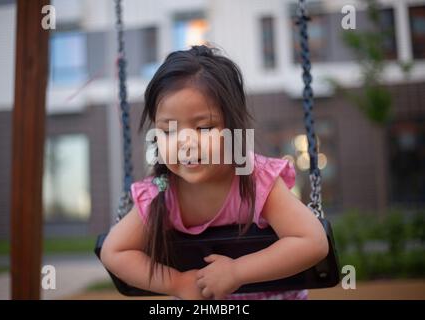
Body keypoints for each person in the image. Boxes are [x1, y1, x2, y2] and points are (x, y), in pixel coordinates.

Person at [101, 45, 328, 300]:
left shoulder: (255, 180)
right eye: (168, 130)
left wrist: (238, 272)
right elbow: (115, 251)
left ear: (234, 127)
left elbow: (313, 241)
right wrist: (176, 283)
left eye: (204, 127)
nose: (185, 143)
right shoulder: (161, 191)